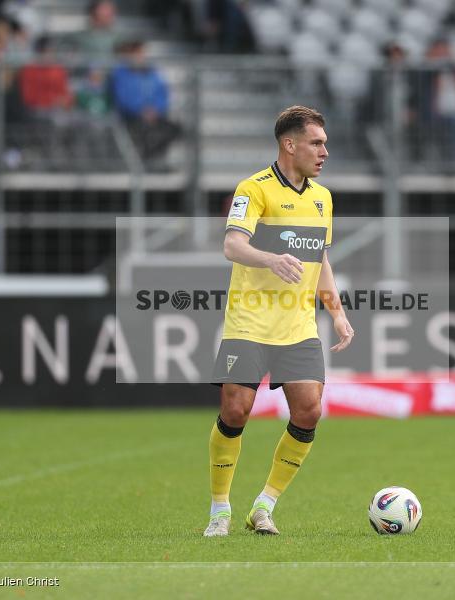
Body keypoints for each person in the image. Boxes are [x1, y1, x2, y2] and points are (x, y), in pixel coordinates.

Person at [203, 106, 355, 537]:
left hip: (297, 326)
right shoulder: (254, 189)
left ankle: (264, 506)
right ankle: (219, 510)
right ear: (290, 144)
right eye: (316, 143)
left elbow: (320, 259)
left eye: (325, 143)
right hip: (249, 322)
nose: (324, 152)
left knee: (309, 411)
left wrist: (337, 312)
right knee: (236, 409)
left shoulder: (323, 198)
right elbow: (232, 246)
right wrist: (271, 258)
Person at [108, 40, 179, 163]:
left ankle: (152, 159)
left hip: (155, 115)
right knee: (144, 130)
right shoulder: (120, 74)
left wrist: (156, 110)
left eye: (141, 53)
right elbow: (122, 99)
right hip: (131, 117)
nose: (139, 56)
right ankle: (147, 162)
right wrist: (141, 111)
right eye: (136, 53)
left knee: (175, 129)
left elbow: (162, 95)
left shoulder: (153, 73)